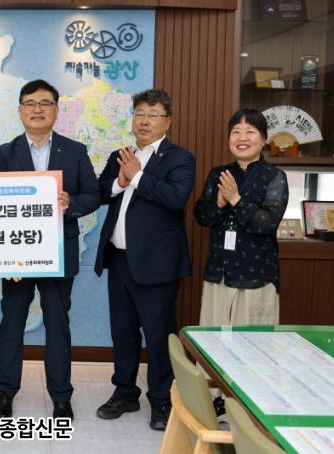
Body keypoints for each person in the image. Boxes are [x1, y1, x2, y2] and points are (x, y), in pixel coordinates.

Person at [0, 79, 99, 421]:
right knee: (12, 323)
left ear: (56, 109)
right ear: (20, 110)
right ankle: (5, 392)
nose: (37, 110)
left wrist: (70, 202)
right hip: (17, 255)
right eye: (30, 103)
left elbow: (93, 195)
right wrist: (4, 257)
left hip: (58, 251)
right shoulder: (5, 153)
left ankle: (61, 397)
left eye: (45, 103)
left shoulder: (75, 151)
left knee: (57, 325)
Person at [93, 89, 195, 430]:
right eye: (139, 114)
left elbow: (176, 197)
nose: (144, 121)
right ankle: (125, 393)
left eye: (153, 115)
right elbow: (100, 191)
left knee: (158, 336)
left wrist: (137, 176)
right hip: (120, 260)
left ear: (167, 121)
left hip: (157, 264)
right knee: (122, 333)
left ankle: (162, 400)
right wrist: (121, 180)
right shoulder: (121, 155)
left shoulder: (179, 158)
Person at [194, 109, 288, 326]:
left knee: (251, 344)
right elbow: (201, 216)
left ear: (263, 139)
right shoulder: (218, 174)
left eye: (250, 132)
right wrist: (219, 203)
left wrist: (235, 199)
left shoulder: (274, 177)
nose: (242, 138)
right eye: (236, 132)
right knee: (212, 342)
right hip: (218, 275)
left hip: (255, 279)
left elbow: (267, 224)